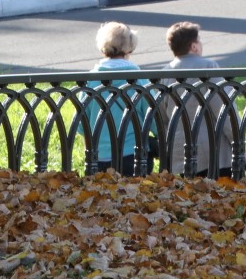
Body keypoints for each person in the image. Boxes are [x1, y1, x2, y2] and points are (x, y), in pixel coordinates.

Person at [161, 21, 235, 179]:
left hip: (179, 152)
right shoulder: (208, 66)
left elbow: (162, 117)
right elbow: (223, 108)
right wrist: (237, 140)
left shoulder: (166, 72)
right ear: (193, 46)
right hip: (212, 152)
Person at [83, 21, 150, 174]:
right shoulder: (138, 79)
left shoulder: (90, 80)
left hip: (98, 156)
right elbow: (151, 115)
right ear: (130, 47)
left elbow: (81, 122)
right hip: (133, 154)